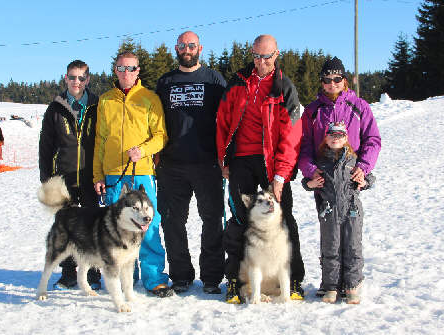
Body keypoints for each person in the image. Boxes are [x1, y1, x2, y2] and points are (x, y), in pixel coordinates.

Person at [216, 34, 305, 303]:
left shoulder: (284, 87)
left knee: (283, 218)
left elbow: (292, 136)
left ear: (276, 55)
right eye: (256, 56)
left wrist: (280, 176)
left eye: (266, 57)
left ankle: (293, 281)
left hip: (271, 163)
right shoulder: (238, 82)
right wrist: (224, 160)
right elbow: (222, 120)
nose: (261, 62)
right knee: (240, 218)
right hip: (241, 159)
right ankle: (235, 280)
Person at [298, 56, 381, 297]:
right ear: (321, 82)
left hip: (350, 178)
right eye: (327, 79)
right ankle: (331, 284)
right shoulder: (312, 111)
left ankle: (352, 283)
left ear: (344, 80)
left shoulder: (359, 106)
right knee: (330, 237)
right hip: (324, 184)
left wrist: (363, 168)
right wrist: (310, 172)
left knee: (351, 235)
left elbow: (373, 140)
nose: (332, 83)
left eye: (337, 79)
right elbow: (303, 147)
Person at [93, 51, 172, 298]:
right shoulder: (105, 100)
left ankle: (154, 278)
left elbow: (161, 136)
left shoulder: (150, 98)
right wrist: (98, 175)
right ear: (115, 70)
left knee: (148, 224)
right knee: (117, 227)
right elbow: (100, 140)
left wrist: (144, 150)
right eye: (121, 68)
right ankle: (123, 276)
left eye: (131, 68)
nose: (126, 73)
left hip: (142, 172)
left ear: (138, 71)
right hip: (114, 174)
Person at [155, 31, 226, 295]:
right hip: (172, 164)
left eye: (192, 45)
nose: (187, 49)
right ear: (176, 48)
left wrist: (225, 156)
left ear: (200, 48)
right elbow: (154, 120)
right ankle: (181, 275)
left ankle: (211, 277)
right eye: (183, 45)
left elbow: (227, 119)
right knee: (173, 221)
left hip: (207, 162)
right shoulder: (166, 82)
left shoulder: (214, 80)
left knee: (212, 220)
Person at [39, 59, 101, 290]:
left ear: (88, 79)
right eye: (72, 77)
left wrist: (101, 174)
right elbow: (45, 145)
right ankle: (67, 274)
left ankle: (93, 275)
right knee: (65, 227)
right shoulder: (55, 108)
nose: (77, 82)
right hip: (63, 179)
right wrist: (47, 178)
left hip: (90, 178)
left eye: (81, 77)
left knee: (93, 226)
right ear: (66, 78)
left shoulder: (97, 104)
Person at [301, 121, 376, 304]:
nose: (335, 139)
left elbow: (370, 177)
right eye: (332, 135)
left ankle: (352, 285)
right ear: (325, 138)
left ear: (346, 138)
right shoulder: (320, 162)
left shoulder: (354, 160)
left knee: (352, 247)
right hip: (329, 211)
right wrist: (309, 184)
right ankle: (331, 286)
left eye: (340, 135)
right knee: (330, 248)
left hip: (352, 210)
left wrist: (365, 182)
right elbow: (306, 182)